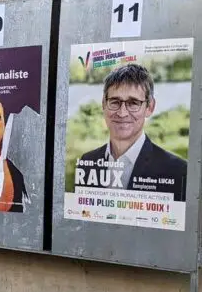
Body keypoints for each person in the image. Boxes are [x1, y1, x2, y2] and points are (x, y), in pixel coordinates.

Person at [77, 63, 187, 201]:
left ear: (150, 107)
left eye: (133, 103)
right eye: (115, 102)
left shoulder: (178, 171)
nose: (122, 113)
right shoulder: (87, 161)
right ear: (104, 104)